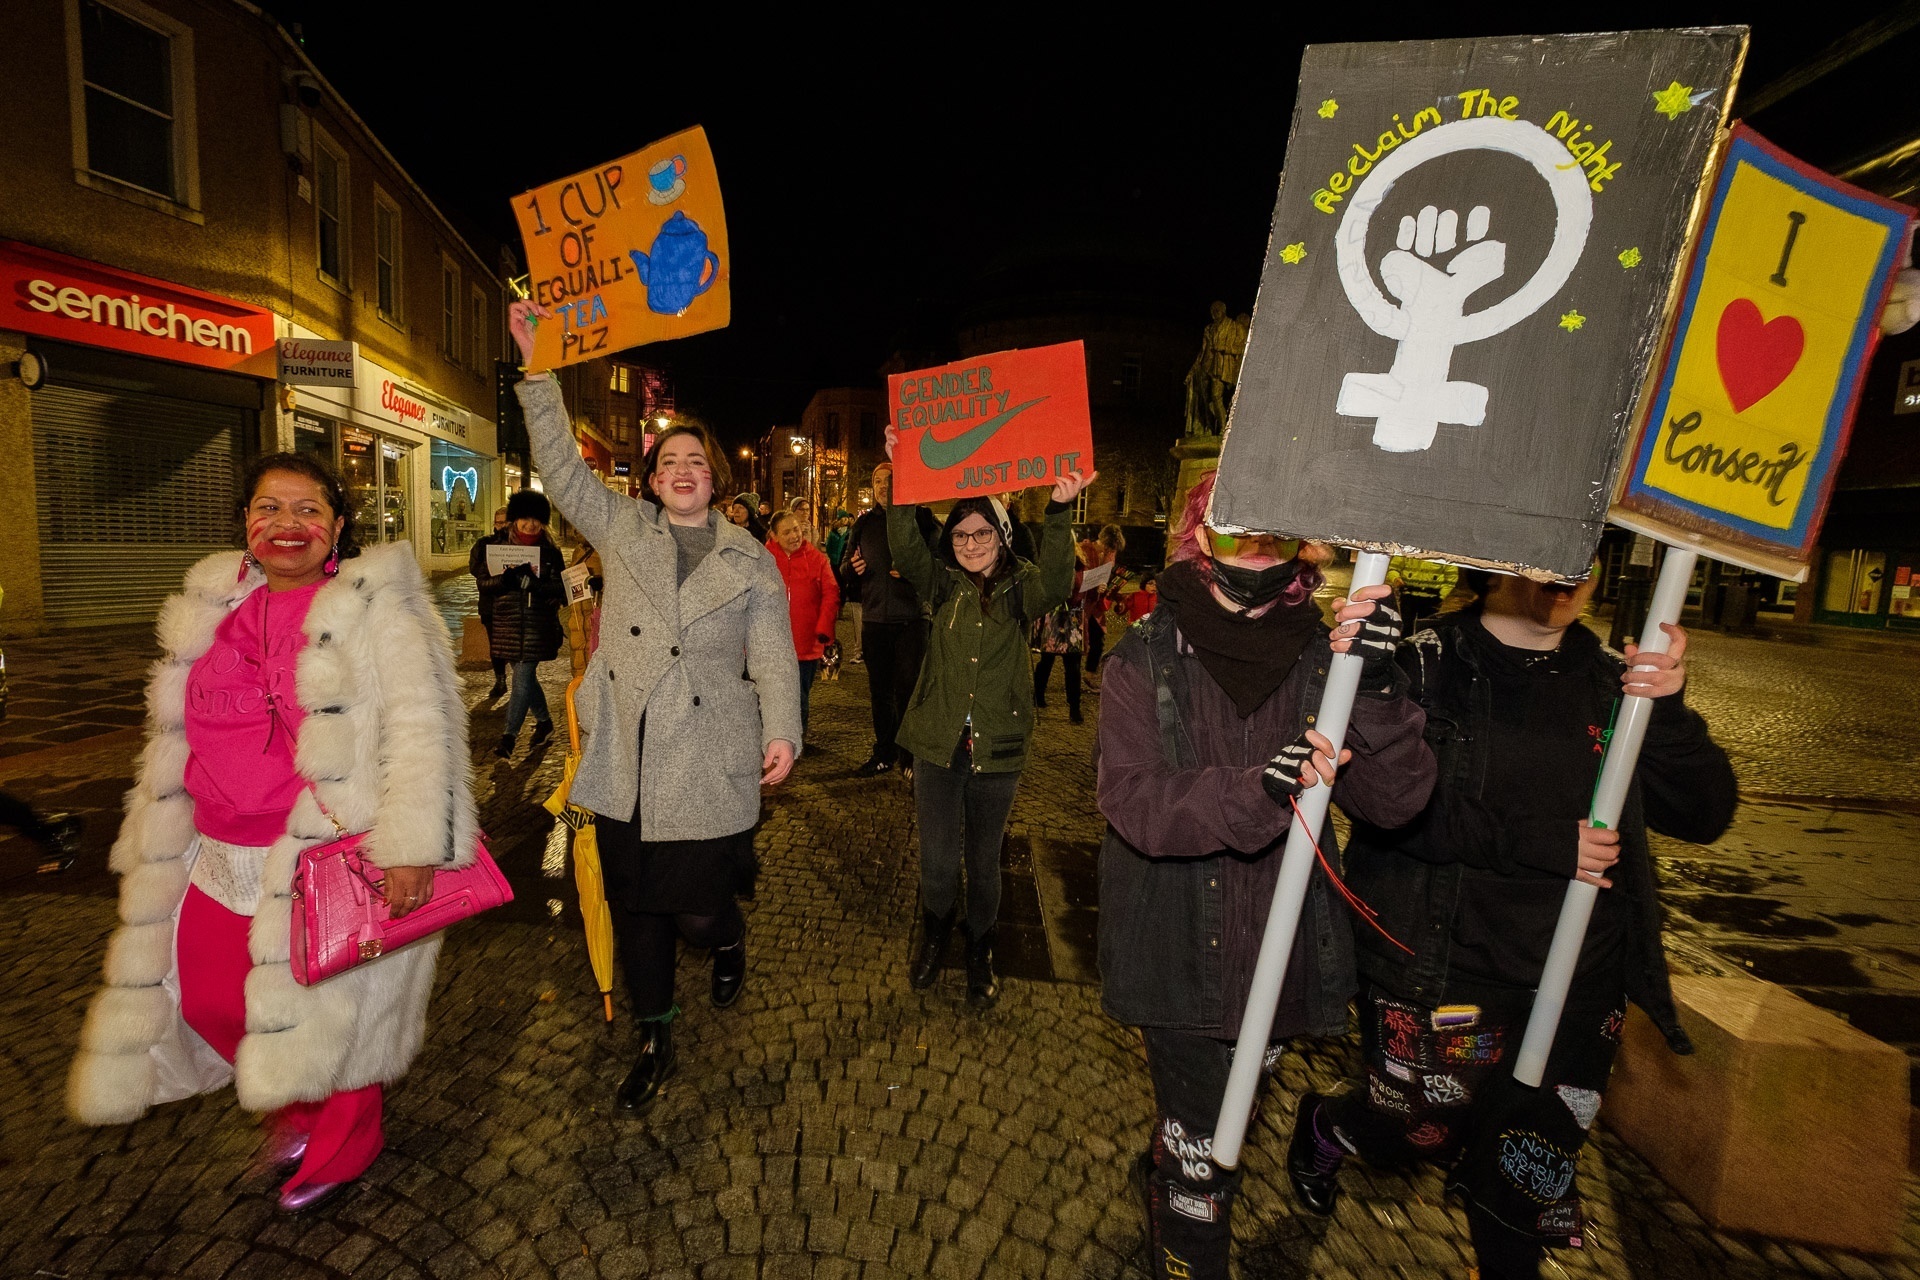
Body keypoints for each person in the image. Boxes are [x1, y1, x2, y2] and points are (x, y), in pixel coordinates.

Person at [1295, 568, 1736, 1280]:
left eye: (1583, 564)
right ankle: (1333, 1125)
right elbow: (1392, 809)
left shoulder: (1611, 681)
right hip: (1445, 963)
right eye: (1547, 560)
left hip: (1577, 985)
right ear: (1497, 562)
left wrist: (1671, 713)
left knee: (1525, 1178)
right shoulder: (1423, 661)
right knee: (1412, 1126)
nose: (1565, 579)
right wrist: (1544, 844)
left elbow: (1706, 814)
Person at [68, 452, 478, 1214]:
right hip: (216, 843)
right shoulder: (212, 604)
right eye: (269, 507)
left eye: (309, 509)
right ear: (245, 525)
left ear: (338, 527)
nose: (288, 524)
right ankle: (294, 1104)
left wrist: (414, 843)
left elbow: (424, 731)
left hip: (326, 847)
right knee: (213, 1001)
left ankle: (343, 1142)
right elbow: (173, 727)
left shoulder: (374, 609)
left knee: (341, 1011)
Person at [1095, 471, 1435, 1280]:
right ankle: (1182, 1227)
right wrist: (1255, 793)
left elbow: (1395, 802)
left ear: (1299, 546)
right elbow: (1134, 799)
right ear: (1197, 535)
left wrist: (1381, 686)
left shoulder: (1331, 657)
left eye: (1273, 527)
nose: (1254, 542)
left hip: (1284, 959)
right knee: (1202, 1165)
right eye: (1232, 521)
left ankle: (1177, 1168)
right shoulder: (1142, 657)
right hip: (1175, 949)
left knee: (1231, 1120)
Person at [510, 301, 800, 1115]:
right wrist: (538, 373)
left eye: (697, 461)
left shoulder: (750, 559)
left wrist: (783, 729)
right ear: (651, 475)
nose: (682, 469)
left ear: (716, 479)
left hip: (708, 752)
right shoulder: (622, 526)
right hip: (629, 749)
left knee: (699, 910)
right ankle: (654, 1030)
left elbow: (774, 651)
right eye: (669, 458)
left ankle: (729, 938)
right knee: (636, 899)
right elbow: (562, 470)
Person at [886, 424, 1089, 1006]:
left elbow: (1057, 578)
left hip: (997, 750)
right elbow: (904, 549)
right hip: (936, 744)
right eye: (960, 534)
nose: (970, 544)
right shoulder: (941, 586)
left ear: (1001, 537)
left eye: (982, 533)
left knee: (984, 859)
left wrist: (1059, 510)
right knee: (938, 860)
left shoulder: (1023, 590)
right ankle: (934, 937)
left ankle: (981, 948)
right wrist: (905, 478)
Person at [840, 463, 938, 777]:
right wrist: (851, 568)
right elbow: (843, 568)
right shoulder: (864, 523)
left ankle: (910, 756)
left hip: (911, 618)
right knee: (879, 691)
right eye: (878, 481)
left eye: (890, 479)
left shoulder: (922, 518)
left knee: (908, 690)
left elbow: (942, 562)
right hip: (874, 619)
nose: (884, 486)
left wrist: (917, 571)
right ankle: (884, 752)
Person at [475, 491, 566, 758]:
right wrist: (508, 580)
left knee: (523, 676)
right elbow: (484, 583)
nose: (531, 524)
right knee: (527, 679)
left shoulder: (550, 552)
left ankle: (509, 737)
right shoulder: (496, 547)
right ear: (515, 519)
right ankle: (545, 722)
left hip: (538, 626)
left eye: (537, 519)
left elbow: (561, 589)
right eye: (525, 518)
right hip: (508, 624)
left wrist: (536, 585)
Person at [767, 509, 839, 743]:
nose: (794, 536)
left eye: (796, 529)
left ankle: (795, 741)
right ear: (774, 536)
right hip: (770, 643)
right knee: (769, 696)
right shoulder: (763, 559)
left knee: (799, 697)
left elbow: (831, 594)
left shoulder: (817, 559)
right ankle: (769, 739)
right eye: (786, 532)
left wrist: (824, 628)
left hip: (805, 642)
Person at [1031, 575, 1088, 723]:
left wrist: (1097, 589)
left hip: (1072, 618)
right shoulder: (1055, 565)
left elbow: (1083, 595)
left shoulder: (1082, 567)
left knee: (1073, 666)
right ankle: (1038, 696)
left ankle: (1074, 707)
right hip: (1053, 616)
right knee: (1047, 660)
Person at [469, 506, 511, 697]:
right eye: (498, 522)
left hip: (511, 605)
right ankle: (500, 679)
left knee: (513, 644)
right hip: (490, 604)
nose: (500, 526)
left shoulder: (518, 545)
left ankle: (518, 681)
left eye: (504, 522)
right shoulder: (484, 544)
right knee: (495, 645)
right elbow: (475, 569)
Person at [1080, 523, 1126, 677]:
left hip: (1096, 605)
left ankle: (1089, 674)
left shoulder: (1109, 555)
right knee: (1078, 643)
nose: (1109, 552)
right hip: (1083, 603)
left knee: (1097, 640)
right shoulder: (1085, 550)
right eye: (1107, 547)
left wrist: (1112, 588)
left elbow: (1106, 576)